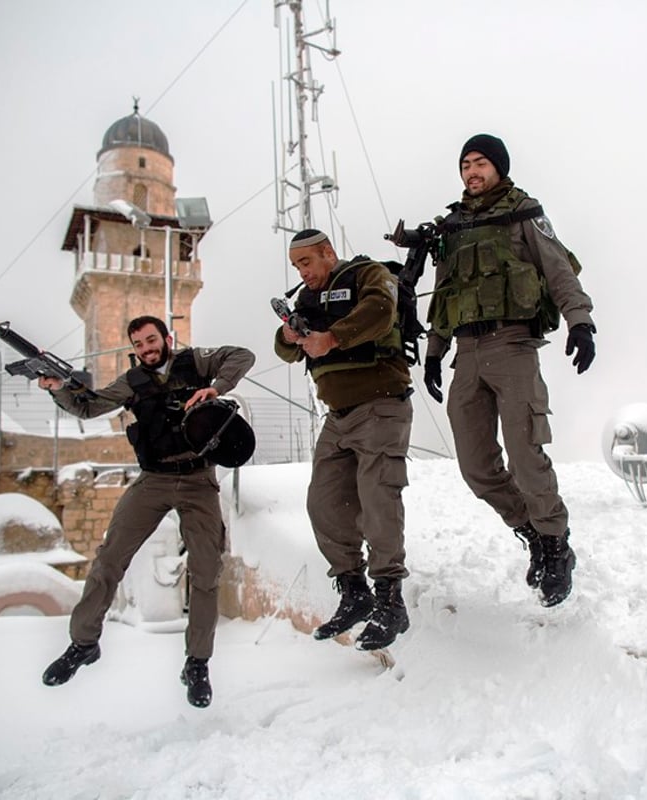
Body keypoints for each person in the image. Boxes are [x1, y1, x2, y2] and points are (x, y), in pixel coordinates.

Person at [38, 315, 255, 708]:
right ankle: (83, 643)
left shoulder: (196, 362)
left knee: (206, 571)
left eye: (151, 340)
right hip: (152, 480)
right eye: (138, 344)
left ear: (166, 338)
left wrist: (214, 388)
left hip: (197, 479)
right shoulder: (132, 382)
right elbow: (90, 407)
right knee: (109, 560)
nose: (146, 349)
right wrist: (59, 390)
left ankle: (197, 663)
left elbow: (243, 356)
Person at [422, 133, 596, 608]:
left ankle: (556, 545)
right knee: (476, 466)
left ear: (498, 167)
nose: (471, 171)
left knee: (525, 455)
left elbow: (559, 271)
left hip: (513, 346)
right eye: (465, 165)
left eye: (480, 163)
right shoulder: (453, 227)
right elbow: (444, 292)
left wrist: (580, 322)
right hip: (466, 354)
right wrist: (434, 352)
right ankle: (532, 533)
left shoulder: (524, 213)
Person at [274, 229, 413, 651]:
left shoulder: (366, 275)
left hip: (381, 403)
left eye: (307, 262)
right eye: (296, 265)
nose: (303, 271)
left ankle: (390, 598)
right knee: (324, 503)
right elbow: (284, 352)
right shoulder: (306, 300)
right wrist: (290, 336)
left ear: (328, 253)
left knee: (377, 496)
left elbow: (380, 310)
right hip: (337, 417)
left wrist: (331, 337)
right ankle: (354, 590)